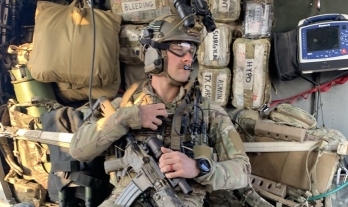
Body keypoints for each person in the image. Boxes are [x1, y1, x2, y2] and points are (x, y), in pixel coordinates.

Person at [69, 14, 251, 207]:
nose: (189, 57)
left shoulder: (207, 111)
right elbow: (78, 150)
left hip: (181, 199)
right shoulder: (125, 106)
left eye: (192, 49)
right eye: (179, 49)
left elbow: (243, 171)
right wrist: (128, 117)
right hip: (125, 198)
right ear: (154, 54)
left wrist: (199, 168)